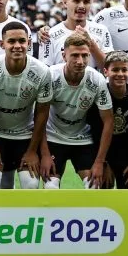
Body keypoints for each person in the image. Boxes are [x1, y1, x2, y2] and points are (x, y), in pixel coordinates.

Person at [0, 22, 52, 189]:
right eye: (11, 41)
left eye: (22, 41)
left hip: (25, 136)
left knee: (31, 184)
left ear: (29, 43)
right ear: (1, 44)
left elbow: (42, 113)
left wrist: (32, 151)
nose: (17, 46)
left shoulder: (42, 71)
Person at [41, 34, 113, 189]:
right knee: (50, 187)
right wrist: (45, 155)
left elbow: (108, 121)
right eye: (74, 55)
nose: (80, 61)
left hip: (83, 138)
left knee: (94, 187)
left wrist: (100, 161)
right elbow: (40, 116)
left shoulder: (97, 79)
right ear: (64, 56)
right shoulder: (50, 76)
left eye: (85, 55)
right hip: (53, 136)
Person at [88, 51, 128, 189]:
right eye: (115, 70)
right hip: (103, 152)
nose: (120, 74)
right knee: (99, 185)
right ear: (106, 72)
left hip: (127, 153)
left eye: (124, 70)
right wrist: (103, 163)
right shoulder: (99, 95)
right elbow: (95, 132)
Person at [37, 0, 113, 68]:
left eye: (86, 2)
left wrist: (91, 44)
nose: (81, 6)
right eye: (76, 1)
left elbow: (109, 68)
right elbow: (44, 71)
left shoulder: (102, 31)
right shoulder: (48, 35)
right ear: (65, 2)